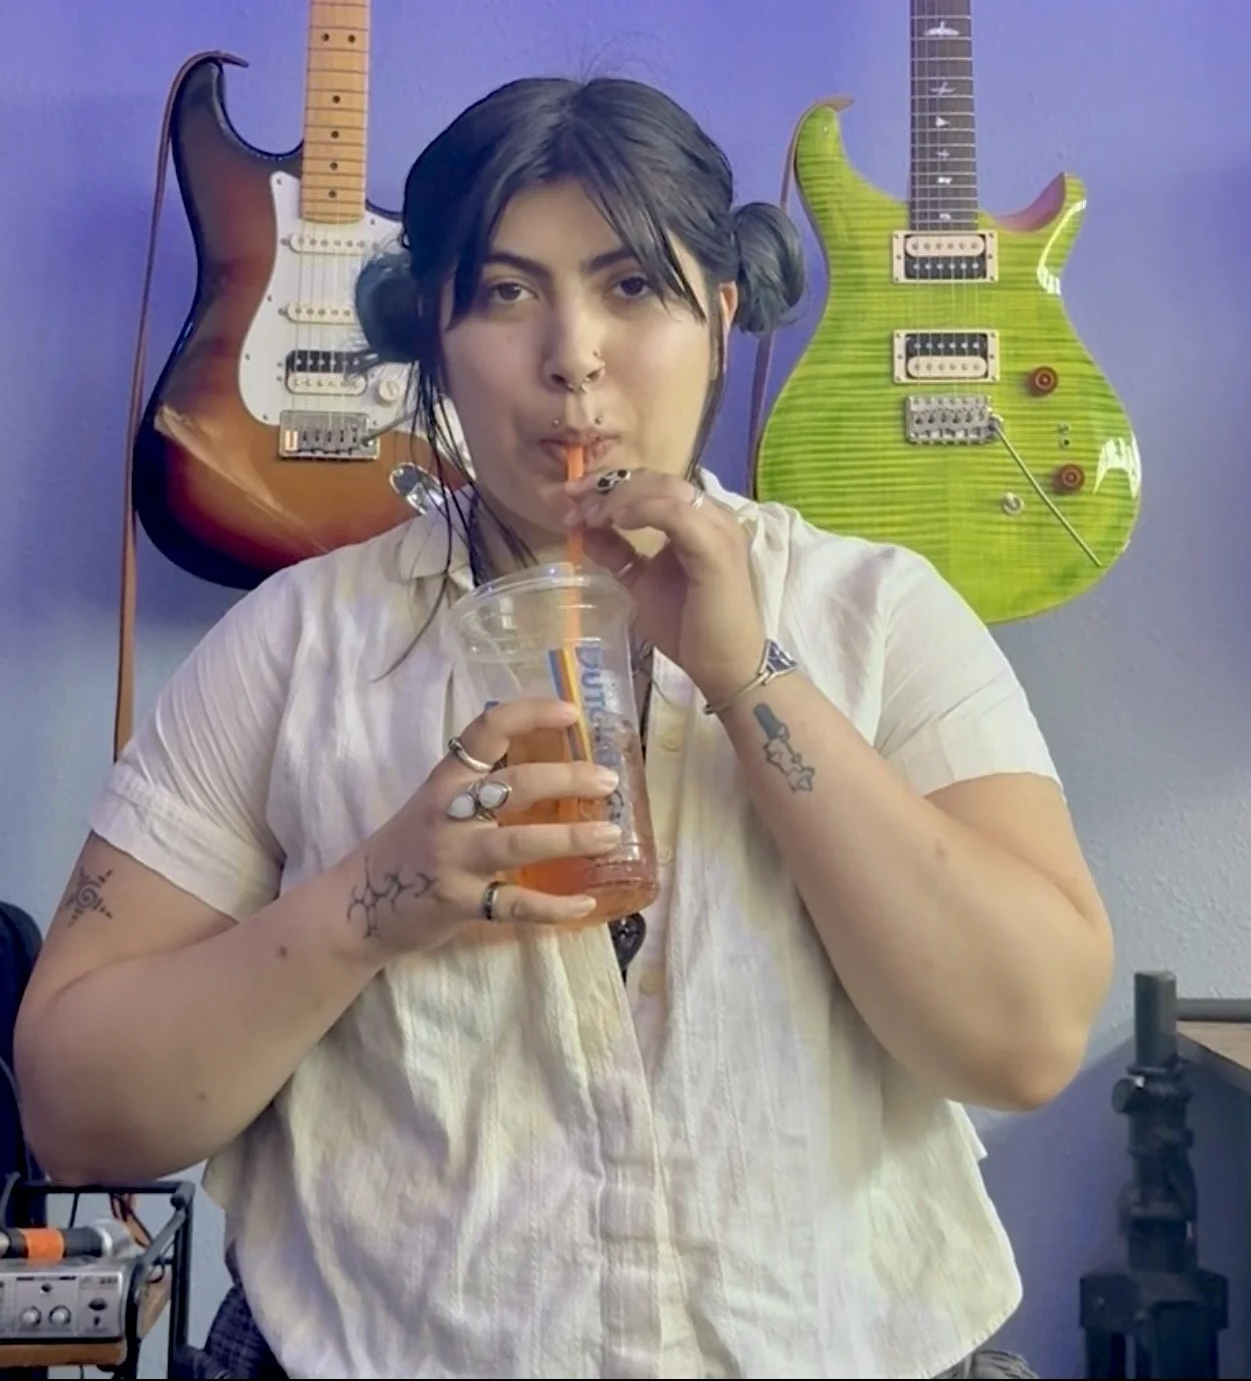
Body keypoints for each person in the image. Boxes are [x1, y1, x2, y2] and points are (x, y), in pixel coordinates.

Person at [15, 77, 1113, 1381]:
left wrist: (749, 673)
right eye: (504, 291)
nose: (572, 353)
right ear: (428, 332)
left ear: (719, 314)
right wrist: (377, 897)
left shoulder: (877, 613)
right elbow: (78, 1114)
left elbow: (1023, 1036)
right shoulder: (292, 648)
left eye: (632, 286)